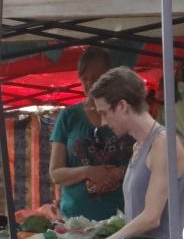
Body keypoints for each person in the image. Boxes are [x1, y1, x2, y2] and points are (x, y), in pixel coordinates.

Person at [89, 67, 184, 239]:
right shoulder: (138, 148)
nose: (103, 122)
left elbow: (151, 217)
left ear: (122, 106)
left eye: (104, 112)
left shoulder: (164, 144)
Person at [49, 46, 134, 220]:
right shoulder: (68, 116)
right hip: (76, 222)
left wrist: (120, 173)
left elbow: (149, 164)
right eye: (85, 79)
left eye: (96, 78)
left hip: (125, 218)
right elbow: (55, 173)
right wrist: (88, 171)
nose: (90, 85)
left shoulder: (127, 113)